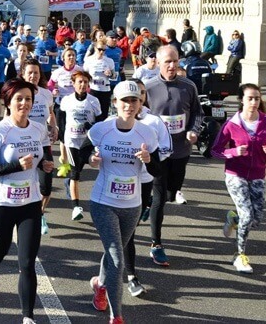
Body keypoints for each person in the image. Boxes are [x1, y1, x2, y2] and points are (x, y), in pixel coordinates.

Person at [0, 78, 54, 324]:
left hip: (30, 204)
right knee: (1, 248)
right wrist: (15, 165)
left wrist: (46, 166)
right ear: (8, 102)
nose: (24, 103)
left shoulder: (38, 128)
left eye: (28, 99)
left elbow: (44, 157)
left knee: (27, 262)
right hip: (2, 204)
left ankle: (27, 317)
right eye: (19, 99)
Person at [87, 81, 160, 324]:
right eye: (124, 101)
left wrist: (149, 159)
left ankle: (99, 284)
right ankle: (116, 315)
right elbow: (81, 155)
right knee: (117, 257)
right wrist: (91, 158)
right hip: (103, 201)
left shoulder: (147, 132)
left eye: (134, 100)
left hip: (131, 204)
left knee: (113, 251)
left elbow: (158, 169)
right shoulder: (101, 129)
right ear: (115, 103)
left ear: (141, 104)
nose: (129, 105)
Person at [212, 83, 266, 273]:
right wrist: (234, 151)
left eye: (257, 98)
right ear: (241, 100)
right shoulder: (232, 124)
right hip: (235, 175)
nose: (253, 102)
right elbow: (216, 151)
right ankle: (240, 255)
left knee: (256, 219)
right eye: (250, 98)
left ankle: (232, 218)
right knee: (247, 215)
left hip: (258, 174)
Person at [143, 45, 201, 266]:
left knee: (171, 193)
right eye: (167, 61)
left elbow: (197, 112)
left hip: (181, 150)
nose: (172, 65)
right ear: (158, 62)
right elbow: (140, 116)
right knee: (160, 198)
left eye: (175, 61)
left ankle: (149, 203)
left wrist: (193, 130)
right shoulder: (148, 87)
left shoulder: (188, 86)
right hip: (159, 153)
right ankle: (156, 244)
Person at [121, 79, 172, 298]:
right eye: (128, 98)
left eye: (139, 95)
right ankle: (131, 275)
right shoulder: (112, 122)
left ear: (143, 97)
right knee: (126, 233)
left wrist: (151, 159)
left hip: (143, 182)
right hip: (119, 184)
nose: (134, 101)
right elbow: (92, 146)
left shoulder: (154, 122)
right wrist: (94, 157)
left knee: (129, 229)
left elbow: (167, 148)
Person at [60, 70, 102, 221]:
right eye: (80, 82)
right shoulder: (67, 100)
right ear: (73, 84)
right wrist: (62, 141)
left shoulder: (93, 101)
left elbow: (99, 123)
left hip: (86, 141)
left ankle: (69, 183)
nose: (83, 85)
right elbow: (62, 120)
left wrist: (90, 125)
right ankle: (76, 207)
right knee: (75, 173)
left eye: (85, 82)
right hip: (71, 140)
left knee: (81, 169)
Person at [22, 60, 57, 235]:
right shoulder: (18, 93)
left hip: (43, 143)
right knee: (25, 182)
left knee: (46, 186)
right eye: (30, 72)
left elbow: (50, 114)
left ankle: (40, 213)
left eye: (36, 73)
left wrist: (54, 127)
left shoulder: (46, 94)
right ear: (23, 74)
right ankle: (25, 216)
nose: (33, 76)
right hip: (24, 144)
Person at [83, 39, 115, 121]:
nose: (101, 52)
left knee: (103, 114)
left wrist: (110, 74)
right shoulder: (89, 60)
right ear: (95, 48)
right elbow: (84, 75)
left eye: (104, 50)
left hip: (105, 90)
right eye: (99, 49)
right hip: (93, 89)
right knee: (92, 113)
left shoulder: (109, 61)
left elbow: (114, 76)